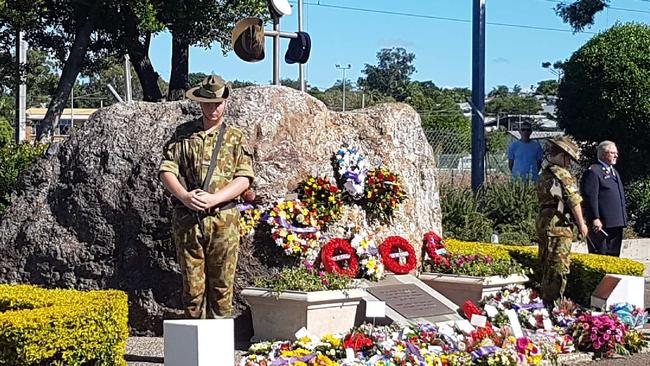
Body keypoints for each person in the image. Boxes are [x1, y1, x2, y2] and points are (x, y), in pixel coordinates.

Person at [159, 75, 254, 318]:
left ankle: (216, 351)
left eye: (218, 103)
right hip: (189, 220)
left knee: (223, 288)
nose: (213, 109)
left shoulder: (235, 137)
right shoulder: (183, 134)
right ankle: (194, 352)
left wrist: (215, 199)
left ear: (225, 103)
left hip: (223, 221)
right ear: (200, 103)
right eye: (208, 103)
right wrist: (183, 196)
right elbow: (167, 170)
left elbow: (243, 178)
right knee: (192, 289)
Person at [536, 136, 589, 307]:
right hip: (558, 226)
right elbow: (573, 199)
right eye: (569, 159)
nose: (570, 164)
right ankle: (554, 307)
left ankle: (545, 303)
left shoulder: (545, 172)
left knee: (546, 265)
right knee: (558, 268)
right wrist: (582, 224)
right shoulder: (561, 173)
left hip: (545, 222)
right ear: (562, 155)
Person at [580, 141, 627, 257]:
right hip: (602, 224)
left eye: (616, 153)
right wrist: (595, 218)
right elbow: (590, 197)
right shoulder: (594, 172)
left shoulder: (614, 172)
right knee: (601, 256)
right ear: (603, 154)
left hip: (616, 222)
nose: (616, 155)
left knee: (614, 257)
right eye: (612, 153)